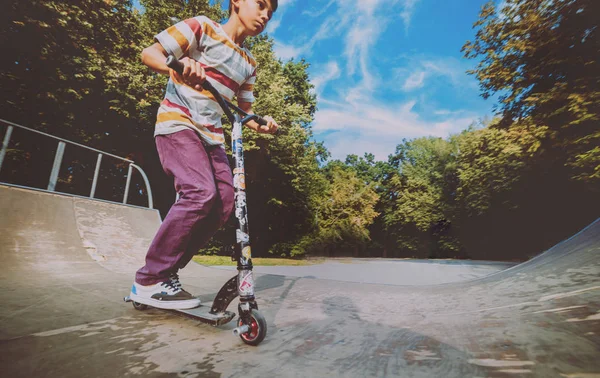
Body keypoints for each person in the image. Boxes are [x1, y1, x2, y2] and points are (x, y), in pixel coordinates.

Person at [129, 0, 279, 310]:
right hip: (178, 123)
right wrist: (180, 65)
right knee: (200, 192)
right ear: (236, 2)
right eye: (261, 4)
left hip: (212, 137)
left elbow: (244, 111)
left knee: (223, 205)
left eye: (271, 11)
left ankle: (165, 275)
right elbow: (150, 53)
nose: (265, 15)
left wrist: (260, 124)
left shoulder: (249, 63)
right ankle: (149, 279)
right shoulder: (202, 27)